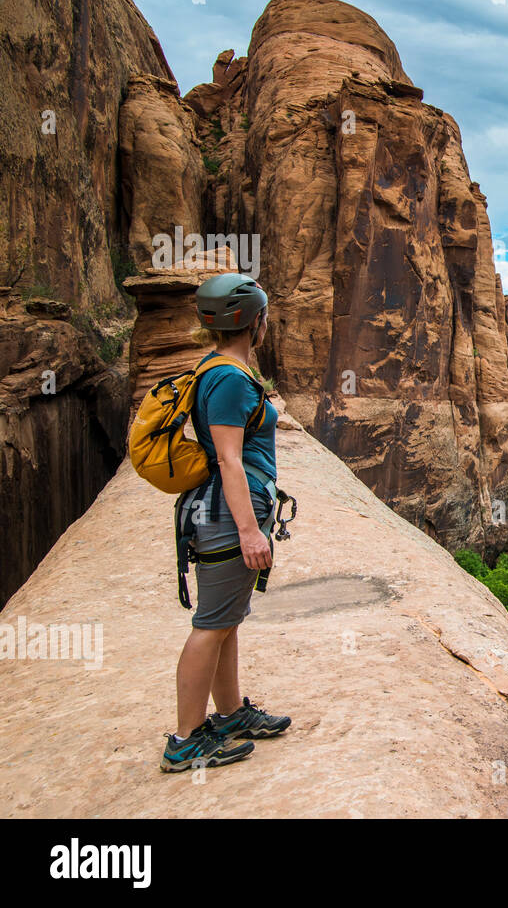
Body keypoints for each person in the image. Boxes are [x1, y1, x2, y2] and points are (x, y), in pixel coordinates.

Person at [161, 272, 292, 773]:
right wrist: (248, 530)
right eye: (264, 317)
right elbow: (230, 459)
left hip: (221, 508)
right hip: (224, 513)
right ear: (254, 323)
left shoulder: (219, 369)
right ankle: (185, 741)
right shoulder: (230, 378)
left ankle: (231, 713)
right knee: (211, 625)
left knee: (226, 619)